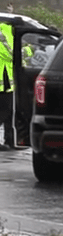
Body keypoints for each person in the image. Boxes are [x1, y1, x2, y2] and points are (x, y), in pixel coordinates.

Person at [0, 19, 14, 150]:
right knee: (4, 111)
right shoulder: (3, 33)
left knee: (9, 112)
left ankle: (10, 140)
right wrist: (28, 50)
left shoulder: (8, 33)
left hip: (7, 81)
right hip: (2, 81)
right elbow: (11, 55)